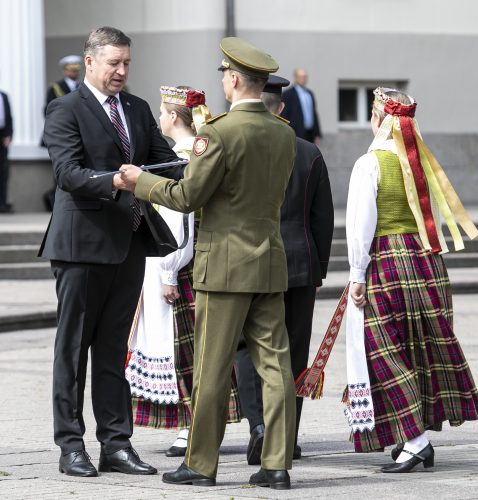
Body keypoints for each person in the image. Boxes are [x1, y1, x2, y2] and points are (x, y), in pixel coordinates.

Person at [117, 37, 297, 490]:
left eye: (224, 76)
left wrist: (142, 181)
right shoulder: (283, 132)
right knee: (276, 369)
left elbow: (187, 196)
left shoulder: (216, 133)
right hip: (269, 262)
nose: (223, 82)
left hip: (223, 267)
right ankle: (276, 464)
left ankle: (200, 465)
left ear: (234, 80)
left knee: (212, 370)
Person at [39, 26, 184, 478]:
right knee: (73, 348)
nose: (121, 71)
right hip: (81, 246)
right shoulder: (65, 108)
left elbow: (165, 159)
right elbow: (67, 173)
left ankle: (116, 444)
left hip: (130, 243)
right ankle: (71, 446)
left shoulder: (138, 109)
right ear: (90, 62)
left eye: (126, 63)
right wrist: (116, 181)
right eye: (113, 64)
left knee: (111, 350)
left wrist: (200, 153)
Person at [344, 86, 478, 473]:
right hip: (426, 261)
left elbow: (360, 226)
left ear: (377, 119)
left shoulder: (369, 163)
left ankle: (417, 440)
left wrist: (357, 275)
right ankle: (413, 435)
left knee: (384, 350)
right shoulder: (419, 162)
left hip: (387, 261)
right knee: (417, 349)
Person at [125, 85, 241, 458]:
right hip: (191, 261)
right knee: (194, 347)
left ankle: (192, 425)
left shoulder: (181, 158)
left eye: (162, 112)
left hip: (178, 263)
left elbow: (180, 220)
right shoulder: (200, 153)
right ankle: (193, 424)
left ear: (173, 117)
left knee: (183, 348)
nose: (160, 119)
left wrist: (169, 272)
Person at [235, 75, 334, 465]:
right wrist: (319, 269)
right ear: (283, 108)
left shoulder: (240, 144)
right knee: (293, 352)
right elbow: (322, 219)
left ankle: (259, 426)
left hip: (250, 261)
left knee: (247, 348)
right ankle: (287, 438)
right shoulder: (309, 152)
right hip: (299, 265)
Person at [42, 55, 83, 210]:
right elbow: (48, 110)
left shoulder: (81, 86)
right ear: (65, 71)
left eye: (76, 70)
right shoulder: (55, 88)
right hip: (64, 133)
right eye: (71, 70)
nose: (74, 73)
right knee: (61, 167)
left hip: (80, 132)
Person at [282, 68, 321, 144]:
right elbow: (284, 115)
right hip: (296, 134)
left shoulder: (310, 93)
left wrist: (317, 134)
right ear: (295, 77)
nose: (303, 79)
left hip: (310, 134)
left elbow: (314, 114)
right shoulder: (288, 94)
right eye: (301, 76)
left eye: (305, 76)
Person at [0, 90, 13, 213]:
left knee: (3, 172)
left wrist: (9, 135)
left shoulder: (4, 96)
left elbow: (9, 117)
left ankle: (2, 204)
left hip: (2, 137)